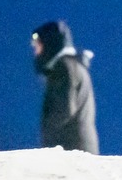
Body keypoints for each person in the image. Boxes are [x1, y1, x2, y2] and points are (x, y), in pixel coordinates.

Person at [32, 19, 98, 153]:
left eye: (38, 45)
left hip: (71, 151)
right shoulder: (73, 65)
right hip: (80, 149)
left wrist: (48, 139)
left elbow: (64, 109)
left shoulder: (64, 67)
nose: (36, 52)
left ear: (49, 43)